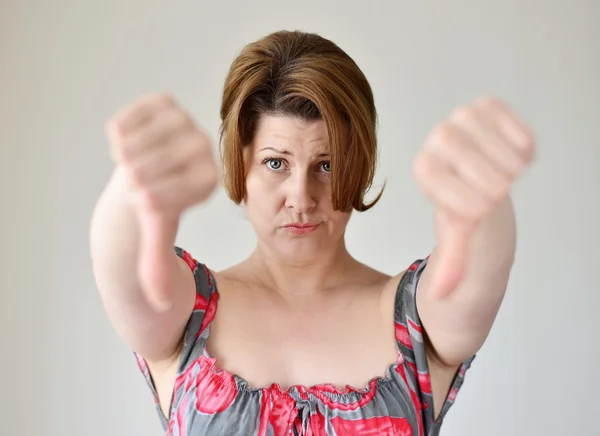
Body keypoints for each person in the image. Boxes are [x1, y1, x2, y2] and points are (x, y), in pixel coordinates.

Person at [90, 30, 535, 436]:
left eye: (326, 164)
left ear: (356, 165)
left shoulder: (416, 319)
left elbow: (478, 274)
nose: (301, 198)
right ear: (241, 163)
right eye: (276, 163)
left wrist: (483, 201)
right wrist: (135, 187)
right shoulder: (187, 314)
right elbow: (121, 264)